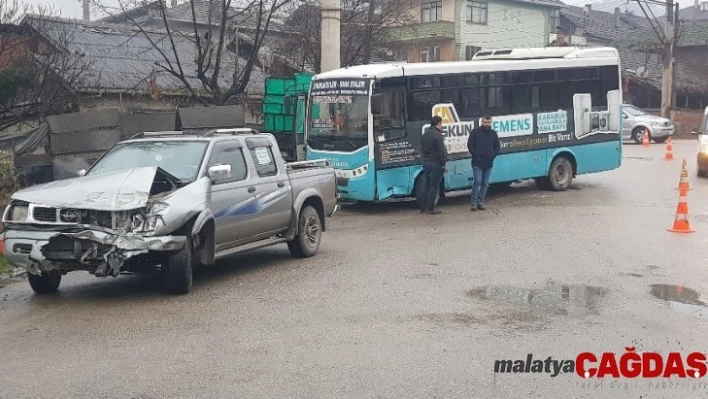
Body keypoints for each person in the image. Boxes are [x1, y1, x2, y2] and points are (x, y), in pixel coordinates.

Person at [467, 115, 500, 211]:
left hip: (488, 163)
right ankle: (473, 203)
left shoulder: (493, 134)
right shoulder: (475, 132)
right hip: (477, 162)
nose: (487, 124)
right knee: (477, 181)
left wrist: (492, 155)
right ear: (482, 122)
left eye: (489, 122)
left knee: (485, 183)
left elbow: (497, 147)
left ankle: (480, 202)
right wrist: (475, 154)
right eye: (485, 122)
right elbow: (470, 144)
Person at [420, 115, 448, 214]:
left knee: (427, 185)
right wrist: (443, 164)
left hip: (426, 162)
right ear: (438, 124)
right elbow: (441, 152)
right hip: (435, 163)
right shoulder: (438, 135)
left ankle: (423, 207)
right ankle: (431, 208)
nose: (442, 126)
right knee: (434, 186)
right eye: (441, 124)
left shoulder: (425, 134)